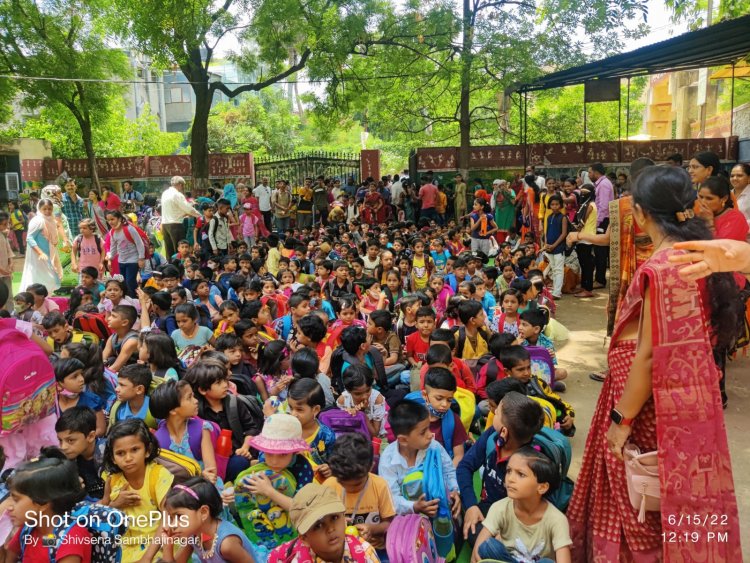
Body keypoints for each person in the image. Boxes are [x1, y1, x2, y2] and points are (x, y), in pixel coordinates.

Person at [567, 166, 742, 561]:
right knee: (677, 495)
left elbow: (647, 355)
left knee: (637, 498)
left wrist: (620, 421)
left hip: (646, 406)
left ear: (640, 214)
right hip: (686, 407)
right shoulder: (699, 258)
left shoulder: (662, 269)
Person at [457, 392, 544, 546]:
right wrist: (470, 505)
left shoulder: (529, 462)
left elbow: (530, 508)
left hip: (515, 516)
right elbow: (465, 466)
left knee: (483, 542)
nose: (493, 413)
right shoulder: (492, 435)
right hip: (487, 507)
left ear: (504, 431)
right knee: (454, 510)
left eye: (497, 413)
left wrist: (505, 532)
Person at [471, 446, 572, 563]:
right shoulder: (499, 507)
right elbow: (478, 550)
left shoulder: (557, 520)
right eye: (509, 471)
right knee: (488, 546)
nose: (510, 479)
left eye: (521, 474)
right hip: (508, 560)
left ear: (542, 487)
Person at [101, 418, 174, 563]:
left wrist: (147, 558)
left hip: (156, 545)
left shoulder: (158, 476)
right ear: (113, 458)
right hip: (125, 547)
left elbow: (168, 518)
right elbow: (100, 512)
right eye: (120, 453)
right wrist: (115, 505)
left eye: (135, 450)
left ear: (147, 451)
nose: (128, 458)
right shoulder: (112, 480)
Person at [378, 400, 461, 517]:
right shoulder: (388, 460)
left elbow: (448, 471)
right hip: (407, 518)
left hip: (440, 510)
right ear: (403, 440)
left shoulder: (434, 447)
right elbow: (391, 498)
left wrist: (454, 491)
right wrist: (414, 506)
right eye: (423, 432)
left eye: (428, 428)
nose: (430, 435)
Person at [4, 455, 93, 562]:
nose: (9, 507)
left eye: (16, 499)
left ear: (42, 503)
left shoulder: (71, 539)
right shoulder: (29, 529)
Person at [268, 483, 381, 563]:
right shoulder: (298, 560)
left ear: (344, 520)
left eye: (334, 517)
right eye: (318, 525)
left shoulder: (364, 552)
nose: (330, 529)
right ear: (305, 538)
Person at [162, 476, 259, 562]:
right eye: (171, 518)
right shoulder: (193, 534)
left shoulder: (226, 544)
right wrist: (167, 547)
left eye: (179, 516)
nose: (173, 524)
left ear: (204, 512)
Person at [55, 406, 105, 500]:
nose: (63, 447)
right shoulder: (69, 460)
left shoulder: (108, 454)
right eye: (60, 440)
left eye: (70, 440)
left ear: (91, 436)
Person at [21, 198, 64, 293]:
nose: (47, 211)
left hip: (49, 254)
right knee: (39, 279)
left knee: (50, 278)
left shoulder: (51, 220)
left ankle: (44, 300)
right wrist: (40, 253)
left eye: (49, 209)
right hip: (39, 256)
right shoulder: (38, 221)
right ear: (39, 209)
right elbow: (29, 238)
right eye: (44, 209)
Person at [162, 176, 201, 259]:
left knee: (169, 250)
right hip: (176, 224)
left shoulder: (165, 193)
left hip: (165, 224)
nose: (183, 188)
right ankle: (179, 269)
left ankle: (170, 268)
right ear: (180, 184)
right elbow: (188, 209)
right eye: (183, 185)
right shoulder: (177, 194)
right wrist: (199, 215)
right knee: (180, 250)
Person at [588, 162, 614, 289]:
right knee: (600, 251)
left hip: (603, 221)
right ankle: (599, 278)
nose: (589, 175)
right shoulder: (602, 184)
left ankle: (600, 279)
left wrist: (597, 224)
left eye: (590, 172)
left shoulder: (603, 185)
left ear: (596, 172)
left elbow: (603, 207)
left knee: (600, 251)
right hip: (603, 220)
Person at [568, 184, 597, 297]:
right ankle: (584, 286)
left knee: (587, 264)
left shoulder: (589, 205)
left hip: (586, 237)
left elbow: (582, 223)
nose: (583, 195)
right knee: (584, 263)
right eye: (582, 193)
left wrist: (572, 228)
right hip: (583, 237)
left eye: (585, 193)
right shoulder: (586, 204)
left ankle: (588, 289)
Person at [730, 163, 750, 230]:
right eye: (732, 176)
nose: (734, 178)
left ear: (749, 178)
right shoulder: (727, 194)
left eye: (739, 175)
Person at [0, 211, 13, 311]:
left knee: (9, 295)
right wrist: (2, 270)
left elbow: (9, 251)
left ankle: (10, 314)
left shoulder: (3, 235)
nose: (6, 226)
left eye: (7, 223)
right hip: (2, 271)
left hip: (6, 271)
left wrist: (10, 263)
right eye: (4, 224)